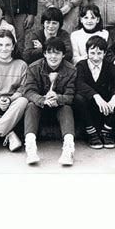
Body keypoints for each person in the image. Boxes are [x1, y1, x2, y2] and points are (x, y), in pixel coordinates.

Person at [23, 37, 77, 166]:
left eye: (57, 53)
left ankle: (69, 147)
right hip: (40, 106)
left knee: (66, 108)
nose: (53, 56)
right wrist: (43, 100)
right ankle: (30, 146)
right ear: (44, 54)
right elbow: (29, 91)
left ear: (63, 55)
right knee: (31, 106)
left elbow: (70, 95)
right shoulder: (34, 68)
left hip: (59, 107)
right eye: (50, 52)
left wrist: (58, 98)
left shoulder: (71, 70)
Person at [74, 36, 115, 149]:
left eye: (99, 53)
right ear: (87, 52)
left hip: (106, 108)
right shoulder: (81, 65)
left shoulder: (109, 65)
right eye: (92, 53)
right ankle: (91, 132)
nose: (96, 57)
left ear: (104, 53)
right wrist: (96, 96)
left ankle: (106, 130)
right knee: (78, 98)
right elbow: (79, 84)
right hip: (89, 106)